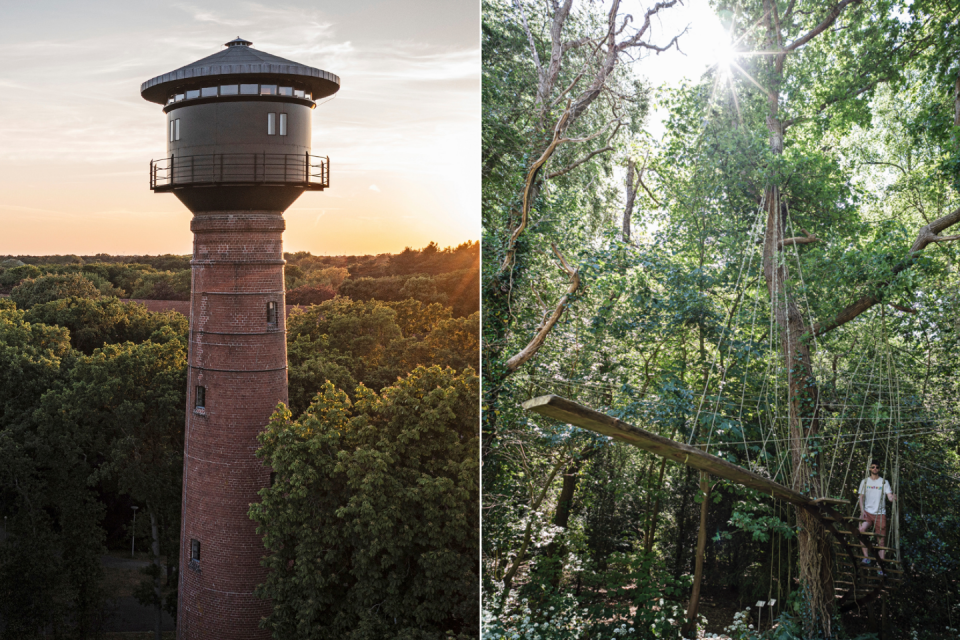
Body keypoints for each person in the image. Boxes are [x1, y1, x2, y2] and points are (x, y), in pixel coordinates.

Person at [857, 460, 896, 572]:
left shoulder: (884, 482)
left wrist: (893, 498)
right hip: (867, 512)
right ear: (869, 468)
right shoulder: (865, 481)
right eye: (873, 467)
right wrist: (862, 511)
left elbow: (889, 496)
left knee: (881, 541)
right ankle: (866, 558)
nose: (875, 469)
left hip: (880, 513)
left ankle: (880, 567)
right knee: (861, 530)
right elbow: (861, 497)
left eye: (877, 467)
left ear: (879, 469)